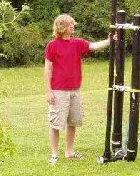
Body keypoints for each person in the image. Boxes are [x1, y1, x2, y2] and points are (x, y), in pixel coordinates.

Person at [44, 14, 113, 164]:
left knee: (73, 122)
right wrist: (49, 91)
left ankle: (69, 152)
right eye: (70, 24)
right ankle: (54, 154)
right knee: (56, 124)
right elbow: (47, 69)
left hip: (75, 90)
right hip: (58, 90)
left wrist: (108, 41)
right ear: (62, 27)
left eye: (73, 24)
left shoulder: (78, 43)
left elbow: (93, 46)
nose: (73, 26)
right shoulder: (52, 45)